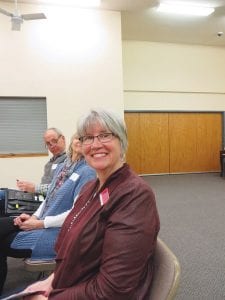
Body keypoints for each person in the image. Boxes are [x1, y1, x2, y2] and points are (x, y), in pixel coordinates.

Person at [22, 109, 160, 300]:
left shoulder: (134, 195)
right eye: (87, 138)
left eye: (105, 135)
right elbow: (75, 252)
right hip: (73, 282)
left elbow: (112, 292)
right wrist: (52, 280)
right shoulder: (90, 188)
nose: (95, 145)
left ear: (122, 140)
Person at [0, 133, 96, 296]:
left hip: (57, 233)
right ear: (72, 140)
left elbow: (77, 213)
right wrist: (34, 217)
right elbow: (49, 198)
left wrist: (40, 223)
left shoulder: (87, 171)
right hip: (42, 223)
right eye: (79, 137)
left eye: (87, 139)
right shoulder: (64, 167)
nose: (80, 141)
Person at [0, 128, 67, 208]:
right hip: (41, 199)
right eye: (48, 143)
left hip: (51, 204)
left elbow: (60, 187)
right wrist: (27, 187)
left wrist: (34, 188)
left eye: (54, 141)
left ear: (63, 139)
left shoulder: (69, 161)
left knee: (3, 196)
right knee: (5, 193)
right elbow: (43, 188)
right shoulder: (49, 164)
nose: (52, 145)